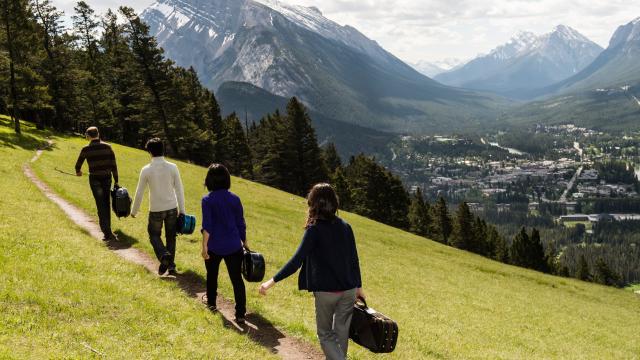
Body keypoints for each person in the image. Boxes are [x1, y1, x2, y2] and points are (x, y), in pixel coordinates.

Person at [259, 183, 365, 360]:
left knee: (324, 334)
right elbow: (354, 260)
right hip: (349, 290)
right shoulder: (346, 227)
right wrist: (359, 287)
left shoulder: (314, 229)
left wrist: (271, 281)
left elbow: (296, 261)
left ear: (313, 204)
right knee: (340, 334)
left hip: (326, 293)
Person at [131, 138, 186, 276]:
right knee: (171, 237)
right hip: (172, 208)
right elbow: (179, 190)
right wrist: (182, 211)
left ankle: (164, 256)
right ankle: (171, 266)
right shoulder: (173, 167)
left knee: (154, 235)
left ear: (149, 152)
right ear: (163, 149)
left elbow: (139, 192)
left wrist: (134, 211)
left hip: (155, 209)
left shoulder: (146, 170)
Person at [200, 164, 247, 324]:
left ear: (209, 180)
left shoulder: (207, 200)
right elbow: (241, 223)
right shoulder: (235, 199)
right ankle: (240, 313)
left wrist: (204, 246)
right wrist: (245, 242)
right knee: (237, 280)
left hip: (214, 246)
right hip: (234, 246)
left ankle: (212, 304)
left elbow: (208, 225)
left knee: (212, 276)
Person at [75, 126, 119, 241]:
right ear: (98, 134)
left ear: (88, 136)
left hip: (94, 179)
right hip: (107, 178)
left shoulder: (86, 149)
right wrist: (116, 180)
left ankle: (107, 232)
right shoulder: (108, 147)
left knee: (100, 205)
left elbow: (78, 165)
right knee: (106, 203)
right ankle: (108, 230)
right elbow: (113, 165)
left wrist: (78, 172)